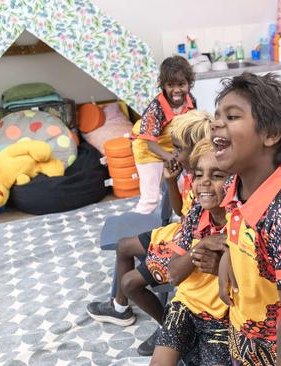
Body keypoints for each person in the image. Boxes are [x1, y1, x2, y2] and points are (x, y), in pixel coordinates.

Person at [211, 72, 281, 365]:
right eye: (217, 114)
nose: (216, 123)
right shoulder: (234, 187)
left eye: (232, 116)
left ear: (271, 135)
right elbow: (239, 228)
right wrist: (227, 257)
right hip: (245, 337)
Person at [86, 111, 211, 356]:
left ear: (197, 149)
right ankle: (120, 309)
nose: (173, 154)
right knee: (124, 246)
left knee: (130, 282)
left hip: (187, 246)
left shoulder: (206, 180)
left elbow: (197, 230)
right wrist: (172, 181)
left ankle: (171, 329)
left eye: (178, 148)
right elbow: (181, 212)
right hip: (179, 233)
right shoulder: (189, 175)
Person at [150, 139, 231, 366]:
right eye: (197, 175)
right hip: (186, 306)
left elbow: (251, 284)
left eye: (217, 176)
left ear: (234, 180)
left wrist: (221, 266)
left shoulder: (241, 223)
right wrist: (201, 246)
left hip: (224, 318)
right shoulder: (195, 214)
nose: (204, 182)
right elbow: (173, 274)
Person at [132, 56, 197, 214]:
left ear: (189, 83)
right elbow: (150, 143)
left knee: (184, 189)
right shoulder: (156, 108)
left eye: (181, 84)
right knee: (151, 198)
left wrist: (183, 154)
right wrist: (170, 158)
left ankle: (182, 221)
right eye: (170, 85)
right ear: (163, 85)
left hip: (173, 148)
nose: (176, 90)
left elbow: (191, 128)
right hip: (148, 150)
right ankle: (140, 227)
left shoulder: (191, 101)